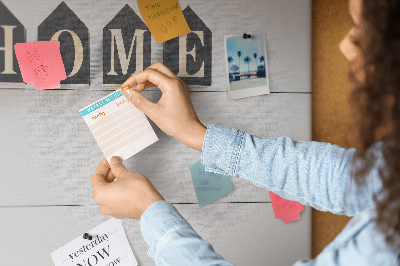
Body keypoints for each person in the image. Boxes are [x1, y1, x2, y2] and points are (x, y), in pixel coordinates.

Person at [90, 0, 400, 264]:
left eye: (365, 31)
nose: (346, 46)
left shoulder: (384, 248)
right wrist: (197, 134)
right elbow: (346, 178)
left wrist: (149, 212)